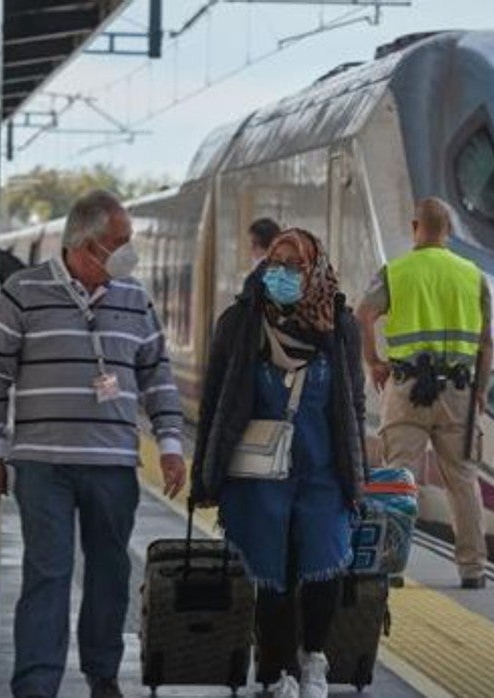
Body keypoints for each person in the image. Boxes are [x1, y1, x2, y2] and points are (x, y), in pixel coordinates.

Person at [0, 190, 187, 698]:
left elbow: (157, 375)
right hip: (43, 462)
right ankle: (36, 684)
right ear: (86, 244)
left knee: (110, 572)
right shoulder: (23, 292)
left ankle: (102, 673)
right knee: (48, 572)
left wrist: (172, 442)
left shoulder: (135, 299)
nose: (128, 251)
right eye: (119, 242)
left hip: (112, 462)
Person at [191, 229, 367, 698]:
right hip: (258, 474)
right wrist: (203, 474)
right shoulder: (240, 322)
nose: (281, 274)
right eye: (275, 262)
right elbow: (217, 402)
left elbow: (353, 402)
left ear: (315, 270)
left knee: (324, 562)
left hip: (322, 468)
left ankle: (315, 659)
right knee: (273, 573)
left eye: (294, 265)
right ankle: (274, 671)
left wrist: (359, 473)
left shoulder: (340, 326)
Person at [355, 197, 494, 589]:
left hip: (407, 389)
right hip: (458, 392)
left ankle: (390, 563)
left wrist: (374, 361)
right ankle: (473, 569)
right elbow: (486, 342)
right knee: (463, 480)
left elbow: (361, 315)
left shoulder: (396, 273)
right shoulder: (473, 276)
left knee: (399, 478)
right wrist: (481, 389)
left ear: (416, 227)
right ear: (447, 231)